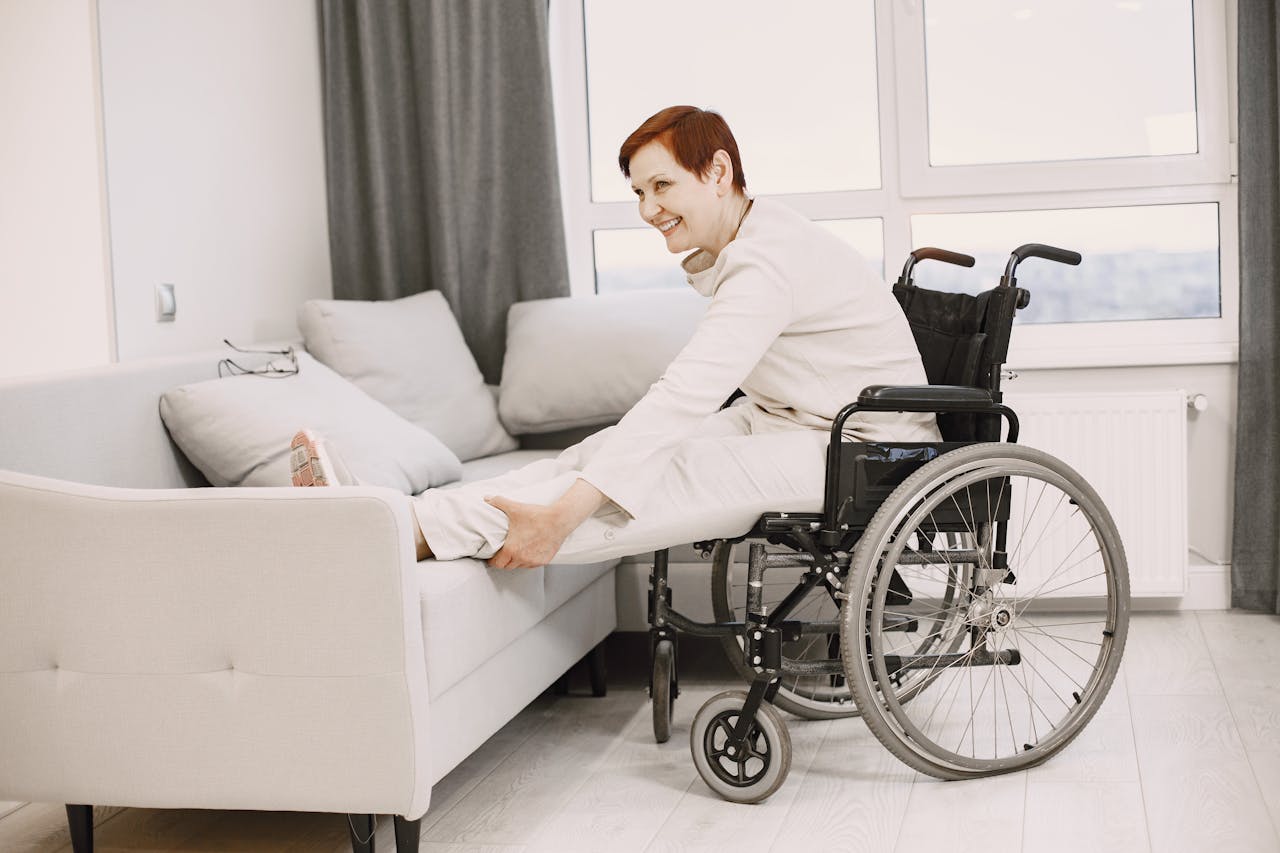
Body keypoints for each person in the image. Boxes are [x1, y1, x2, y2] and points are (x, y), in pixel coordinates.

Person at [291, 105, 939, 568]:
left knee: (652, 478)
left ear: (718, 171)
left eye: (662, 185)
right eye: (637, 191)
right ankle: (385, 513)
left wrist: (565, 517)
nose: (647, 209)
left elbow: (688, 392)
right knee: (595, 456)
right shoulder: (756, 237)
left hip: (862, 455)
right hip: (798, 425)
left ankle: (382, 533)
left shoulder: (766, 261)